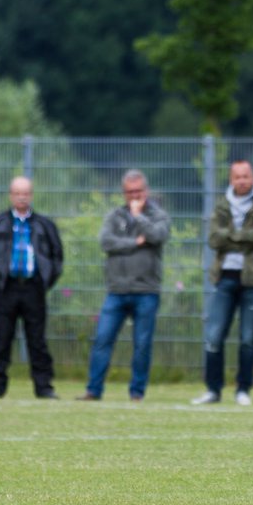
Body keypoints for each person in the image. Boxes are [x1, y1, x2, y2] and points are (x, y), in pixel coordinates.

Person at [77, 171, 171, 403]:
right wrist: (136, 243)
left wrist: (139, 218)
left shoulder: (158, 215)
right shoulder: (114, 215)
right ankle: (93, 390)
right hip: (116, 291)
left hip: (146, 291)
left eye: (138, 191)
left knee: (141, 344)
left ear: (145, 191)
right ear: (124, 193)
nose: (134, 196)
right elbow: (106, 242)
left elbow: (157, 236)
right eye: (130, 192)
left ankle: (136, 393)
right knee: (102, 340)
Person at [192, 160, 253, 407]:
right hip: (226, 277)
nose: (241, 181)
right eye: (237, 176)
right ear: (231, 179)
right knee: (213, 336)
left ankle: (243, 389)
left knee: (248, 338)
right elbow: (214, 239)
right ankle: (213, 390)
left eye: (245, 176)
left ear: (252, 177)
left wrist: (232, 235)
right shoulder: (221, 205)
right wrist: (243, 237)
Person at [0, 176, 64, 399]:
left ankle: (43, 387)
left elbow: (56, 257)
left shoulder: (44, 225)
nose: (22, 197)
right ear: (11, 195)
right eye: (17, 193)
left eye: (25, 193)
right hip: (7, 288)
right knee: (2, 339)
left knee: (37, 341)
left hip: (34, 288)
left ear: (31, 195)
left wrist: (45, 281)